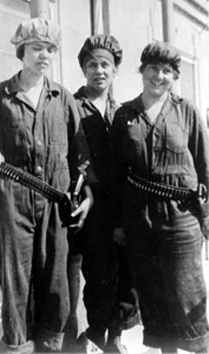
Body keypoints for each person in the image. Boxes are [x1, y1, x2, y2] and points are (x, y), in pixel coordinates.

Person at [0, 18, 94, 354]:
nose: (43, 55)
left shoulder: (62, 98)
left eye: (49, 49)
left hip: (55, 201)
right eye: (36, 48)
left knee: (55, 281)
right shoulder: (1, 95)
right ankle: (18, 347)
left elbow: (83, 154)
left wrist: (83, 192)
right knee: (16, 280)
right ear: (22, 53)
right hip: (13, 200)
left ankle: (51, 346)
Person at [111, 41, 209, 354]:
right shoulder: (125, 115)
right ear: (142, 71)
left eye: (166, 71)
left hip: (182, 217)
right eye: (153, 68)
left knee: (188, 292)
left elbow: (206, 168)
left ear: (174, 76)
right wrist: (119, 223)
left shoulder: (186, 110)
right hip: (139, 218)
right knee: (152, 294)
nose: (159, 76)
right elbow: (116, 176)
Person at [64, 34, 139, 354]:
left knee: (126, 271)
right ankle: (94, 334)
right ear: (83, 69)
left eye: (105, 64)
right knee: (98, 273)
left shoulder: (123, 111)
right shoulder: (70, 106)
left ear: (115, 69)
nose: (99, 70)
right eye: (92, 64)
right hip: (88, 204)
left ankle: (117, 336)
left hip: (121, 204)